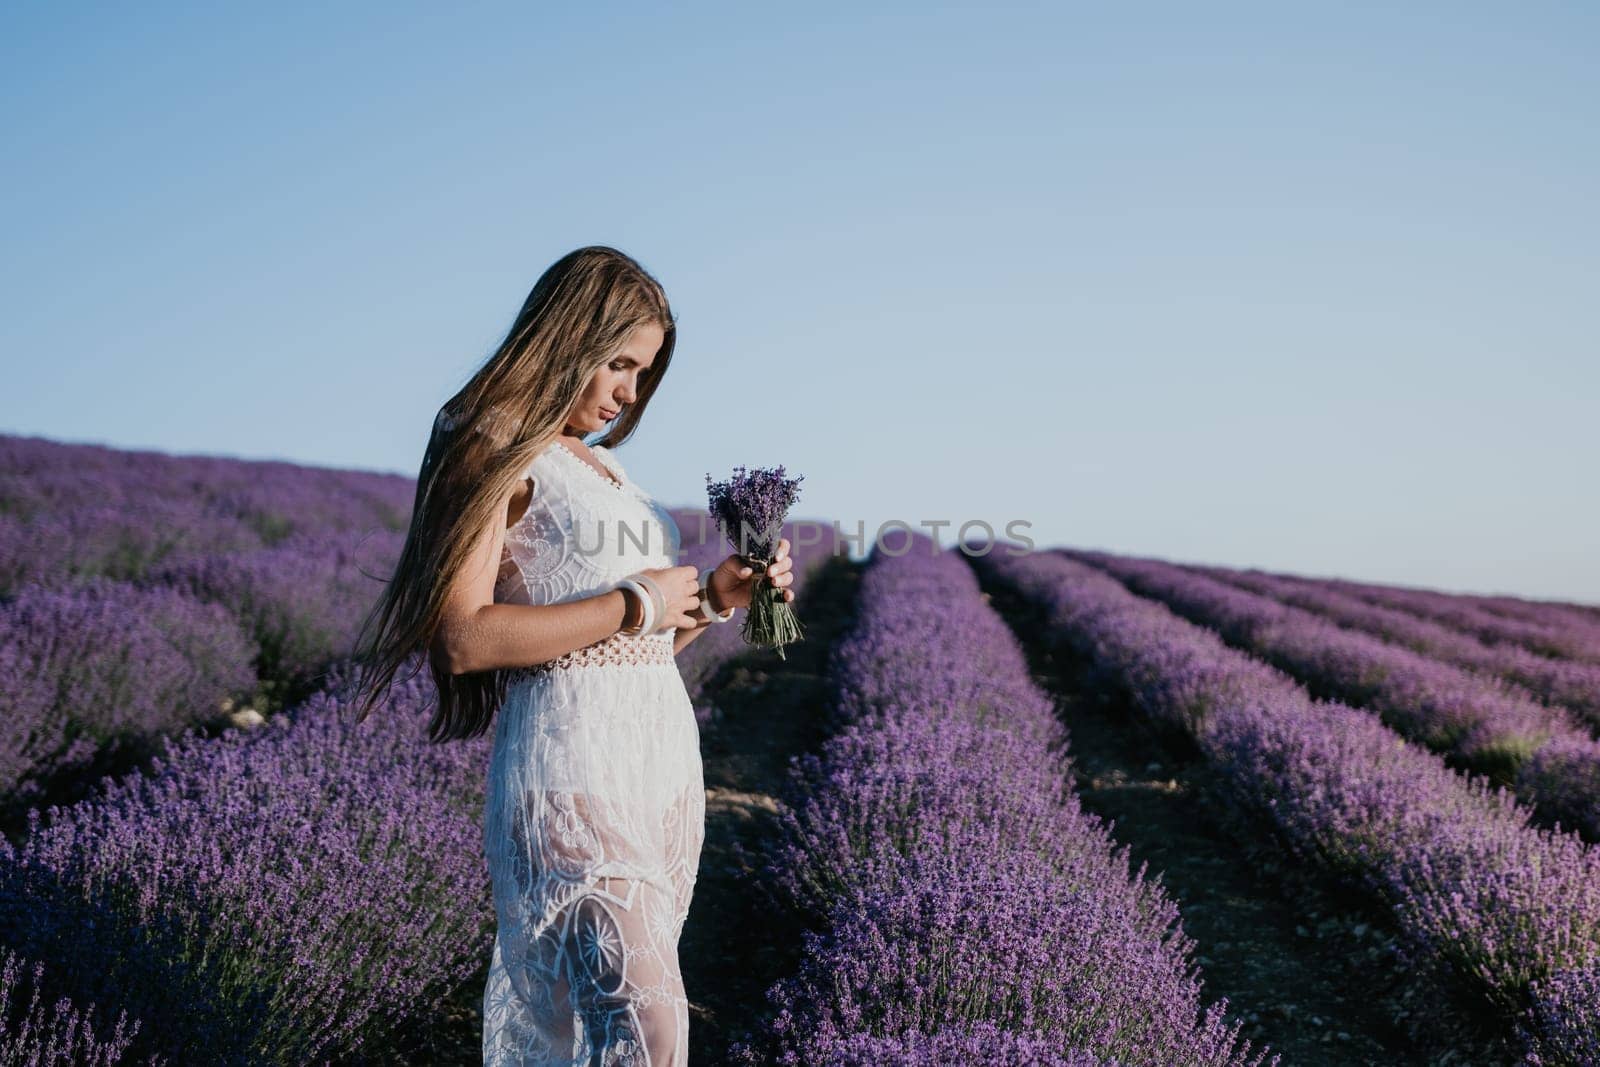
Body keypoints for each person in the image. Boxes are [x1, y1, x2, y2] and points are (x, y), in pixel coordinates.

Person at [347, 246, 795, 1065]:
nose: (630, 392)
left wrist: (716, 599)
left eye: (644, 371)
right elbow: (461, 637)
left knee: (618, 1031)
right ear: (565, 341)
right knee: (653, 1029)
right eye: (618, 363)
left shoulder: (611, 470)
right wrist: (636, 600)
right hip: (567, 777)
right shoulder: (491, 441)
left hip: (654, 779)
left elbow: (631, 653)